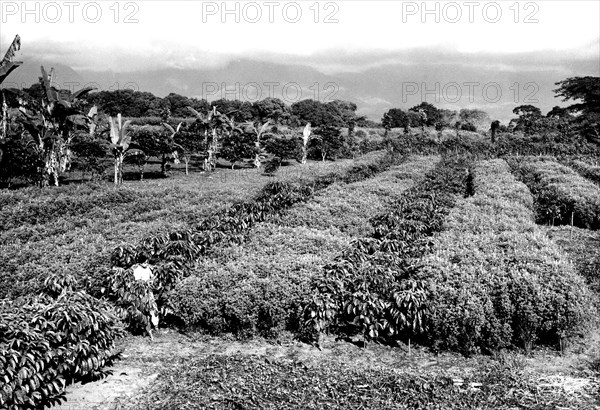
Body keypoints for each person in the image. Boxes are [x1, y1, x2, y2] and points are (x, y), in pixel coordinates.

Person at [131, 257, 159, 340]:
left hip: (149, 291)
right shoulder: (137, 270)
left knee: (153, 308)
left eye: (147, 262)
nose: (145, 263)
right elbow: (137, 282)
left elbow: (152, 277)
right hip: (142, 293)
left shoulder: (148, 268)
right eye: (144, 262)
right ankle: (145, 329)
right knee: (143, 310)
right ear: (140, 263)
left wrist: (152, 281)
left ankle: (156, 326)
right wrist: (144, 284)